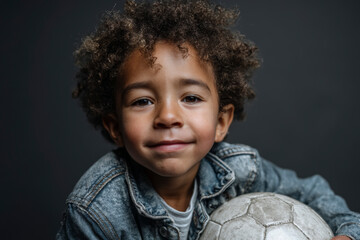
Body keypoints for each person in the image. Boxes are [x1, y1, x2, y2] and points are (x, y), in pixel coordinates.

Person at [56, 0, 360, 239]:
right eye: (143, 101)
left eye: (190, 98)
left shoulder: (240, 169)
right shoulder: (95, 210)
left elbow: (313, 193)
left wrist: (347, 233)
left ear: (221, 122)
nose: (168, 117)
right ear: (115, 128)